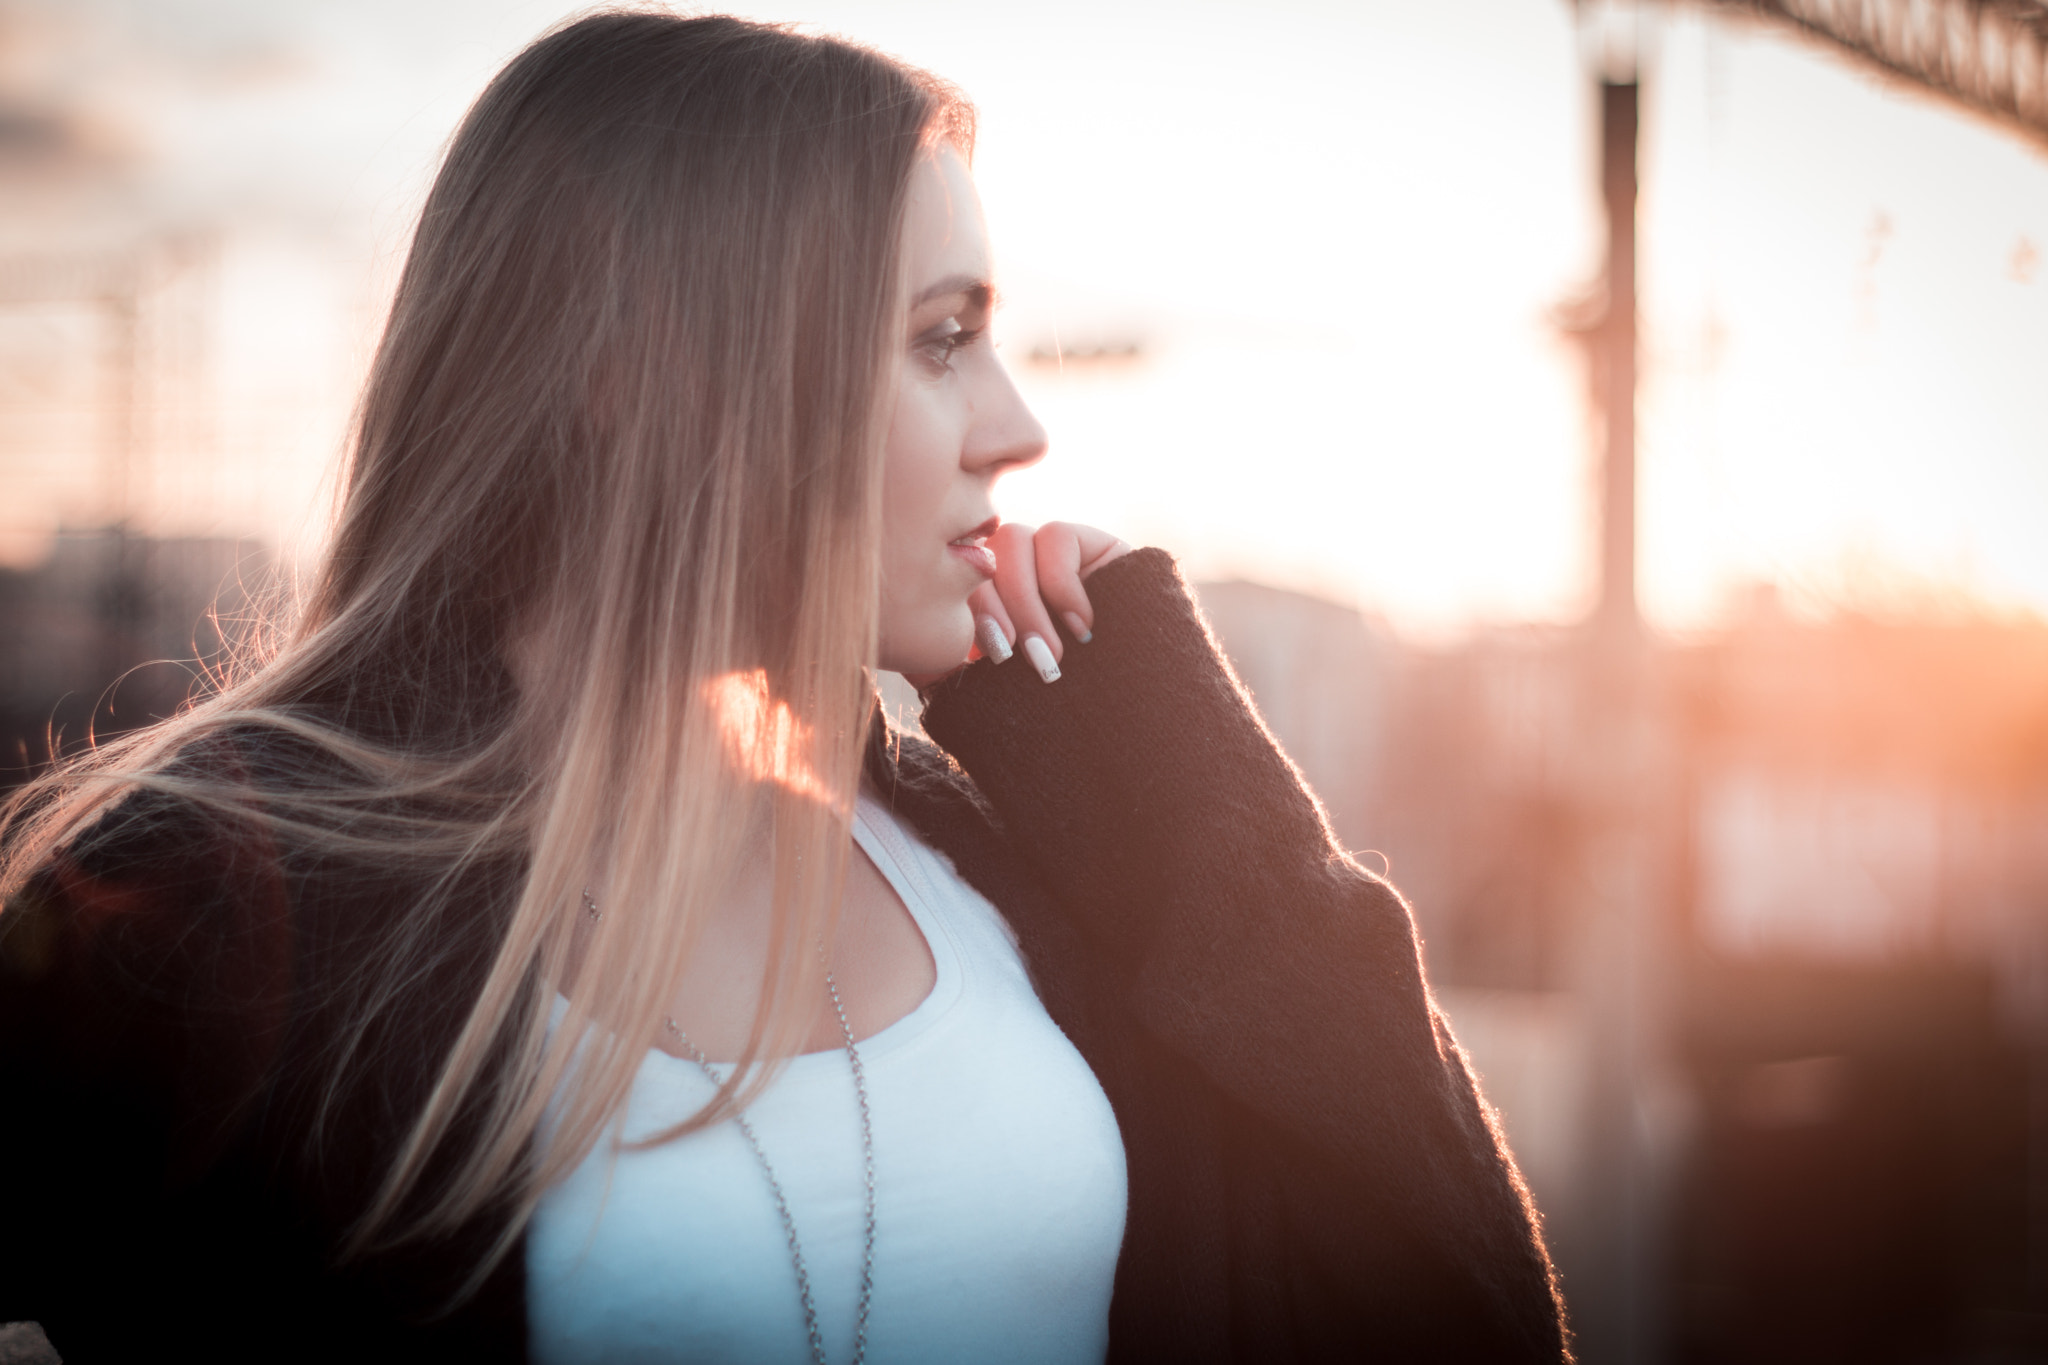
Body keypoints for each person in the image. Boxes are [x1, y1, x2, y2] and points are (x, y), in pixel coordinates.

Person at [0, 12, 1568, 1363]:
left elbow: (1462, 1302)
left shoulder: (1017, 872)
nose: (1016, 426)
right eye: (941, 339)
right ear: (647, 374)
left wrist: (1155, 758)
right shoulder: (212, 919)